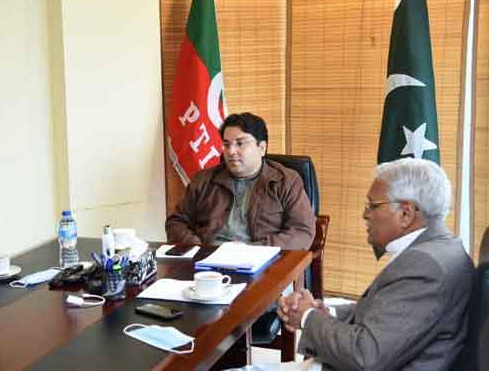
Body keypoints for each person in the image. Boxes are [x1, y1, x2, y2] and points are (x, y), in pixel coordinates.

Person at [237, 158, 472, 371]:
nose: (365, 214)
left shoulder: (426, 266)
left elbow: (365, 355)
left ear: (406, 214)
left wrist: (307, 316)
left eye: (373, 205)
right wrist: (325, 311)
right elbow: (384, 314)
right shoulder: (441, 248)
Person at [166, 112, 315, 250]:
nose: (231, 151)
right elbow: (176, 222)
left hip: (265, 262)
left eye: (240, 143)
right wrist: (199, 249)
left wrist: (254, 251)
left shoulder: (286, 181)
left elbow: (302, 231)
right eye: (226, 144)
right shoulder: (204, 180)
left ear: (262, 148)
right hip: (209, 260)